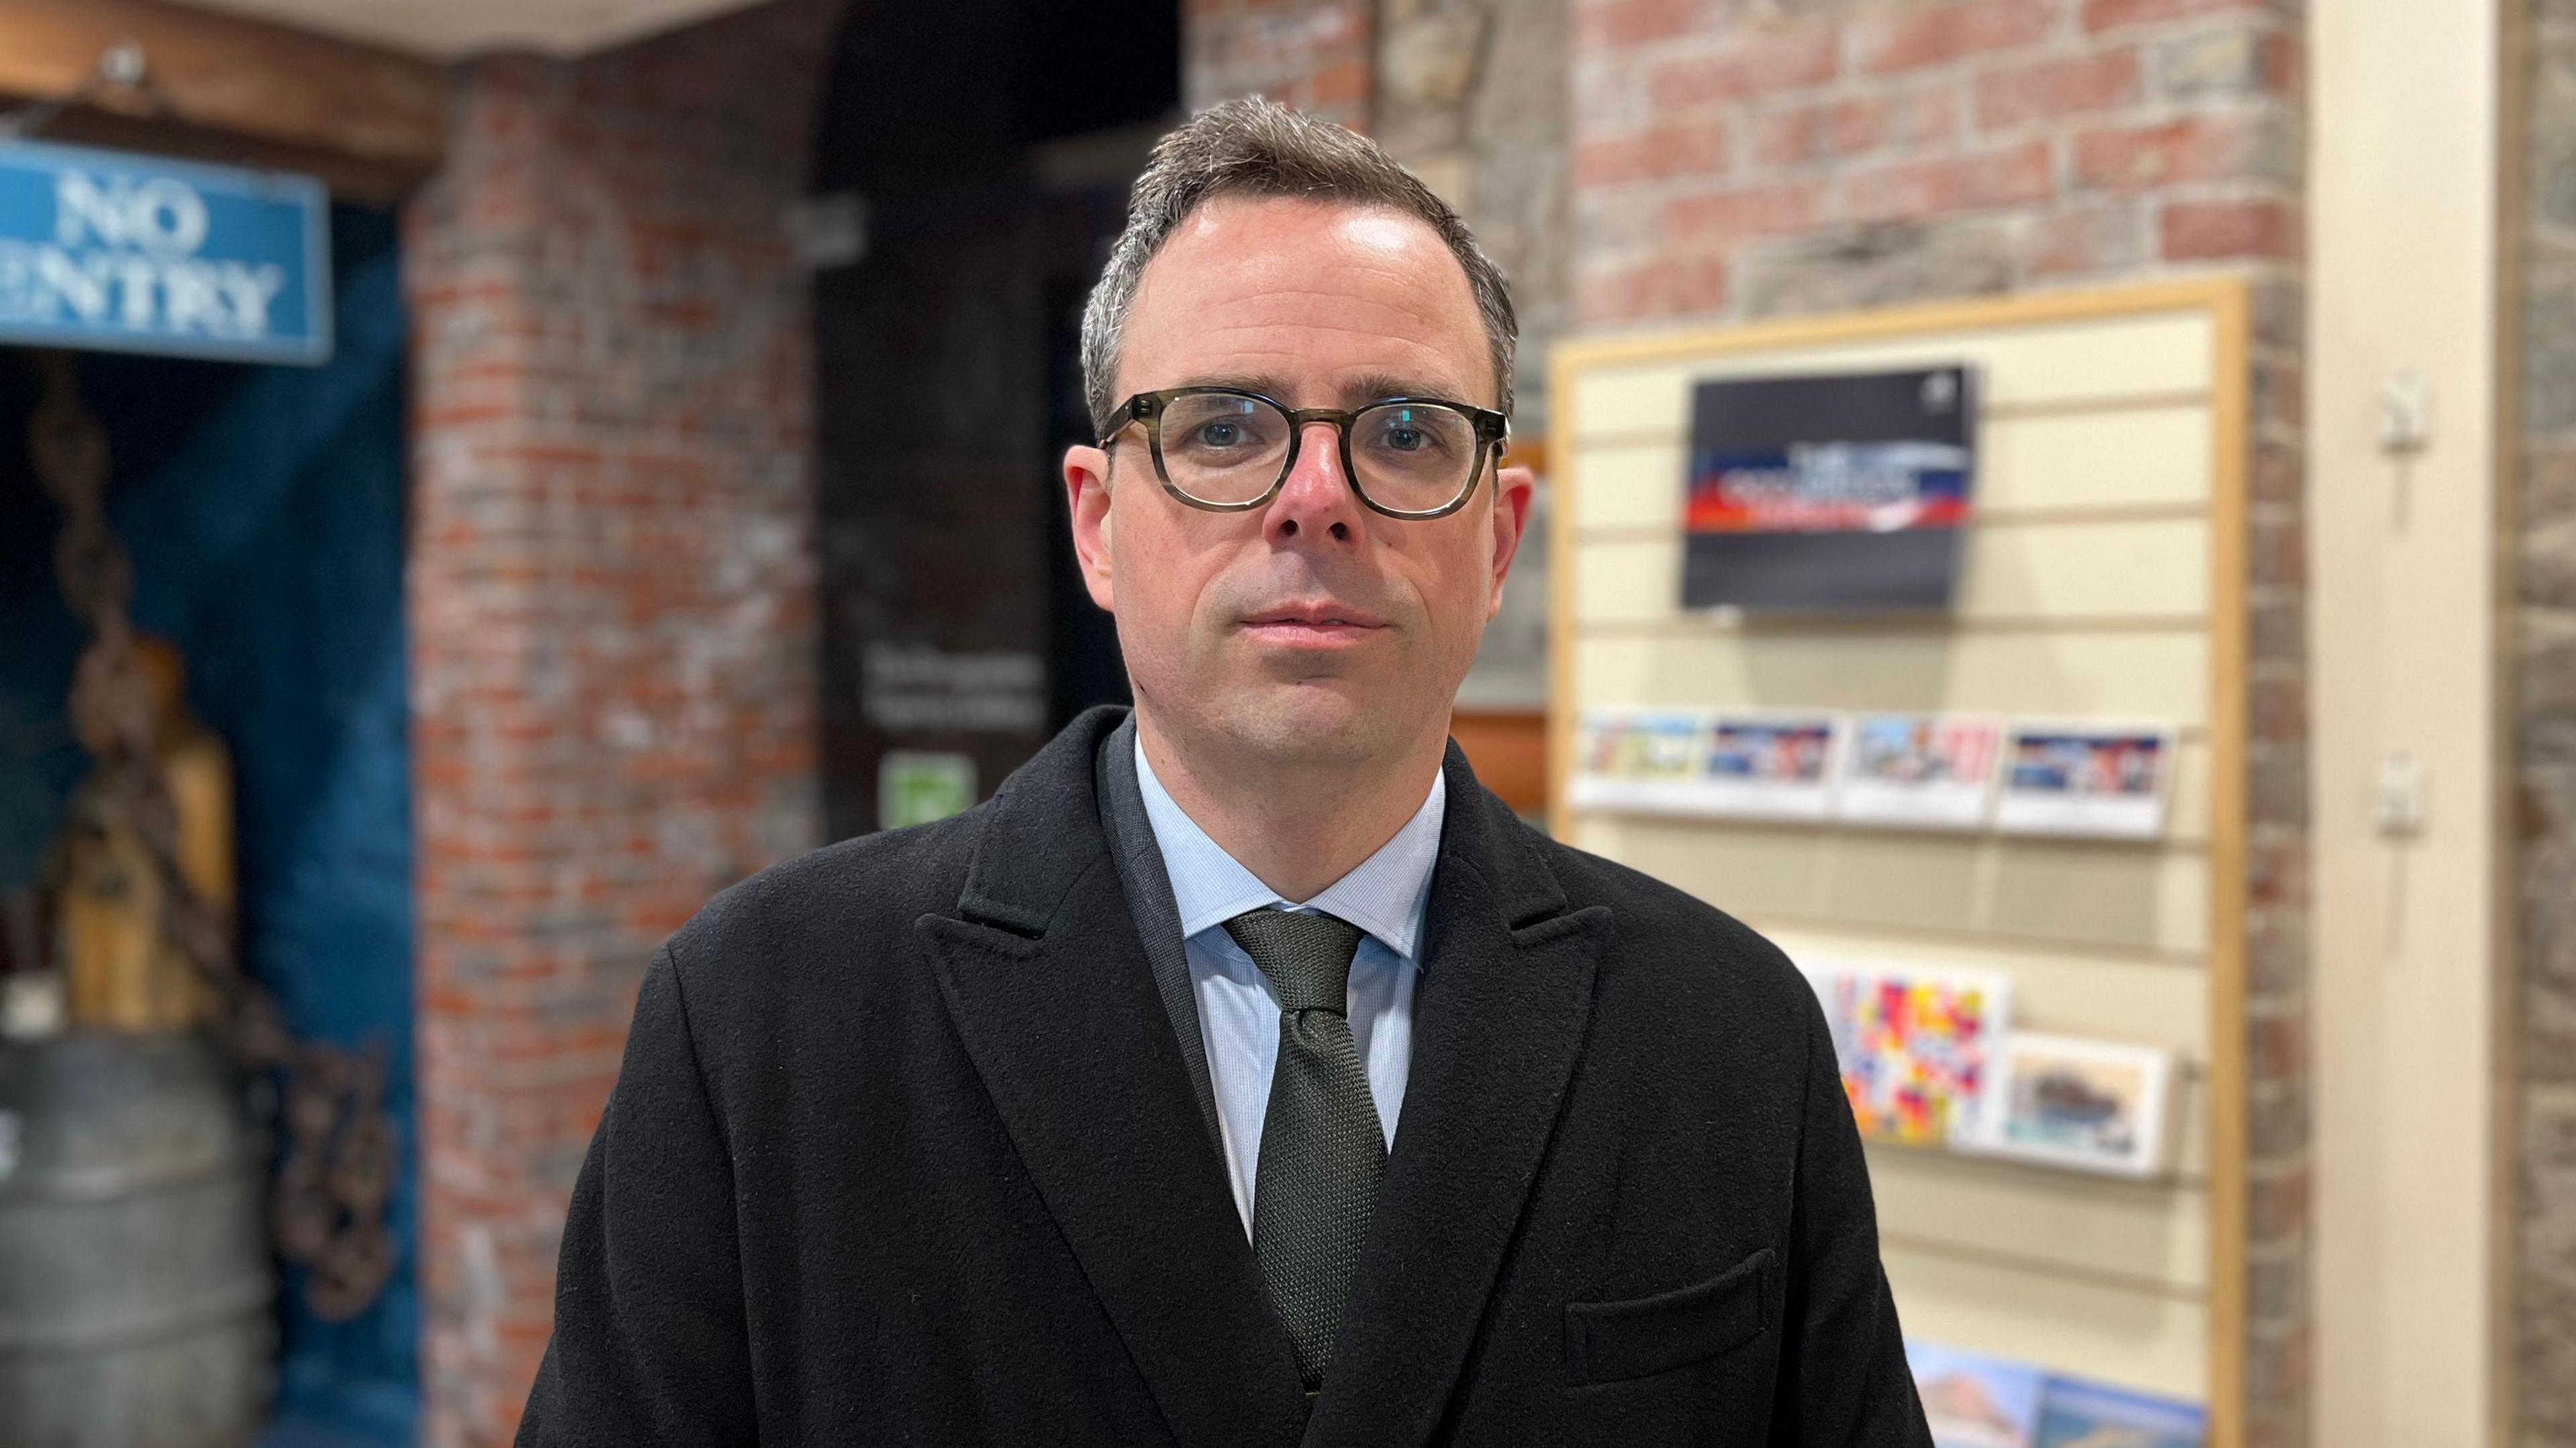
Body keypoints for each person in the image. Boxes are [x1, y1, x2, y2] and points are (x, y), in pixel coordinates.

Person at [518, 98, 1931, 1447]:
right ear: (1097, 523)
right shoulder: (762, 1019)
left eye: (1403, 433)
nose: (1314, 498)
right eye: (1220, 429)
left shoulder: (1727, 1035)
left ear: (1498, 542)